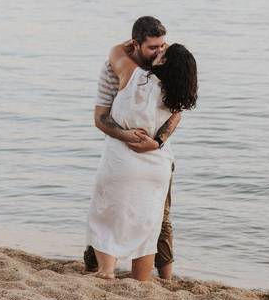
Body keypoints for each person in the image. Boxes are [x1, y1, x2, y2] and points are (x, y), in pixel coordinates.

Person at [85, 24, 198, 281]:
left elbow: (115, 50)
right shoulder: (176, 93)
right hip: (156, 165)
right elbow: (174, 119)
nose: (160, 50)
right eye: (156, 47)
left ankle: (106, 271)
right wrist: (157, 142)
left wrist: (134, 43)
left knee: (107, 215)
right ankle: (142, 280)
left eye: (163, 50)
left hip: (123, 161)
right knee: (148, 227)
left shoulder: (132, 75)